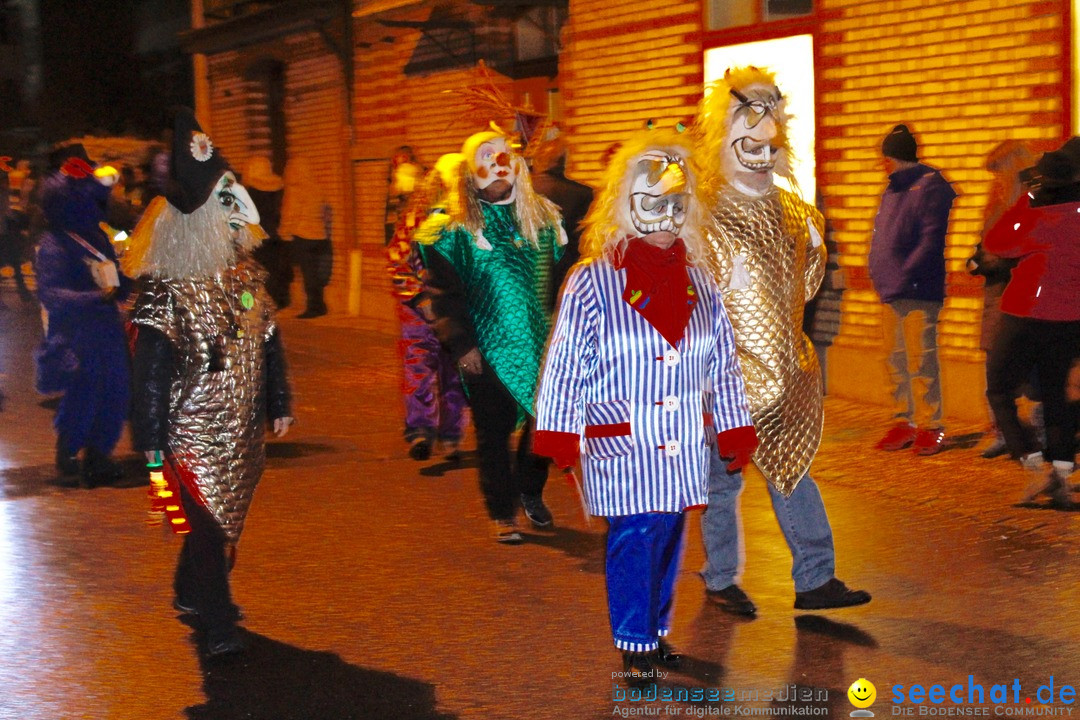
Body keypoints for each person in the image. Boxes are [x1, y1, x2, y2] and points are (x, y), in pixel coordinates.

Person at [534, 129, 755, 681]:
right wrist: (559, 431)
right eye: (653, 204)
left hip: (681, 439)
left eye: (677, 206)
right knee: (636, 535)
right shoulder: (591, 281)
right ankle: (634, 643)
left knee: (668, 536)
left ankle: (653, 634)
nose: (666, 217)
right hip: (623, 435)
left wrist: (733, 426)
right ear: (627, 206)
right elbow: (564, 362)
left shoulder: (701, 282)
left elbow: (722, 362)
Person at [696, 66, 871, 614]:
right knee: (722, 485)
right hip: (722, 380)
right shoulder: (701, 213)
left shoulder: (799, 214)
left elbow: (809, 282)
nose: (760, 149)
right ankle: (721, 579)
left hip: (787, 375)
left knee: (794, 471)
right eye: (747, 137)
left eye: (768, 139)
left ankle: (815, 580)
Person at [126, 109, 293, 657]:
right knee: (204, 523)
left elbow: (267, 342)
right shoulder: (166, 288)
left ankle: (188, 588)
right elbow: (149, 369)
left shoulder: (247, 276)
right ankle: (218, 621)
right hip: (189, 429)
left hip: (239, 427)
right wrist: (149, 436)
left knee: (222, 519)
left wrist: (279, 400)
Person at [418, 129, 566, 543]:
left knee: (543, 432)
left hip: (542, 351)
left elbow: (562, 282)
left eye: (506, 157)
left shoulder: (543, 221)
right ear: (470, 174)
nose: (500, 166)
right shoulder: (454, 232)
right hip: (486, 353)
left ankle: (530, 492)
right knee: (493, 435)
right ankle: (502, 511)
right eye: (488, 158)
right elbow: (444, 297)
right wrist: (462, 345)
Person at [983, 145, 1080, 507]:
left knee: (999, 388)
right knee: (1057, 396)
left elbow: (996, 242)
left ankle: (1031, 459)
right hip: (1069, 317)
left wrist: (1026, 201)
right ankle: (1061, 477)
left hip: (1026, 312)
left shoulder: (1039, 213)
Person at [34, 145, 131, 486]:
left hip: (107, 329)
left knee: (115, 391)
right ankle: (69, 451)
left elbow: (117, 275)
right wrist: (94, 298)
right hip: (76, 334)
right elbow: (49, 292)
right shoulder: (54, 243)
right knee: (84, 393)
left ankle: (100, 455)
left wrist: (127, 282)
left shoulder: (100, 236)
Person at [869, 123, 957, 455]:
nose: (883, 164)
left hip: (919, 288)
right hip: (891, 288)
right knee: (894, 359)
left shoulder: (929, 188)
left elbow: (930, 240)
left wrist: (904, 274)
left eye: (887, 157)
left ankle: (931, 425)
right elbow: (883, 233)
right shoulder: (892, 189)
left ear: (898, 157)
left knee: (922, 360)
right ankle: (902, 421)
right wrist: (879, 271)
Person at [386, 153, 468, 461]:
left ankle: (451, 436)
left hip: (455, 309)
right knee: (418, 370)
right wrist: (420, 298)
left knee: (455, 374)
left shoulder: (468, 220)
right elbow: (396, 259)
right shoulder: (415, 216)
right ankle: (420, 431)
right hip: (418, 310)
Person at [966, 140, 1040, 459]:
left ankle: (1037, 433)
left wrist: (992, 260)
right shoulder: (995, 202)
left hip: (1023, 295)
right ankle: (1001, 431)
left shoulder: (1032, 200)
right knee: (994, 364)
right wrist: (975, 258)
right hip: (996, 295)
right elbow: (986, 241)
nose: (995, 181)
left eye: (999, 173)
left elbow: (1023, 247)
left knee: (1029, 368)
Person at [530, 132, 594, 306]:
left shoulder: (517, 191)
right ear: (564, 161)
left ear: (537, 160)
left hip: (525, 275)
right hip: (563, 275)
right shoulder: (582, 194)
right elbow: (583, 242)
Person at [279, 157, 332, 318]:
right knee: (316, 274)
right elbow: (325, 211)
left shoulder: (296, 190)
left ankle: (313, 308)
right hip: (320, 236)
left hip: (302, 236)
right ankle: (320, 305)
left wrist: (284, 231)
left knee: (308, 274)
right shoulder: (317, 188)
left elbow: (291, 214)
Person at [244, 156, 291, 310]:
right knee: (274, 271)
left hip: (256, 238)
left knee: (255, 272)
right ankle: (276, 301)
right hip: (276, 236)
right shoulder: (279, 188)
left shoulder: (250, 193)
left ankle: (256, 303)